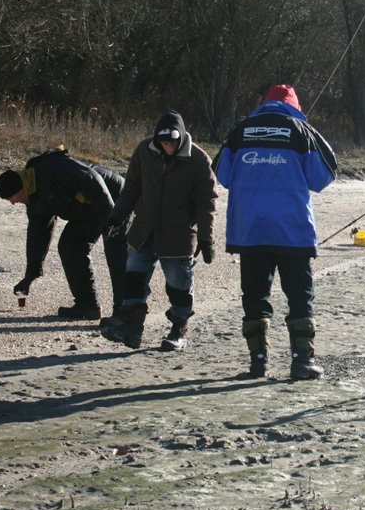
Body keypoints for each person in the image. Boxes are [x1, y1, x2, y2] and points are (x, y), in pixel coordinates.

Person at [213, 84, 337, 379]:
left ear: (264, 103)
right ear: (295, 105)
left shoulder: (240, 130)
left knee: (254, 296)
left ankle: (258, 363)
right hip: (292, 231)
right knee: (299, 296)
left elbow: (222, 173)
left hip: (250, 230)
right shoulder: (301, 131)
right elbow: (324, 176)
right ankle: (301, 361)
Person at [101, 111, 218, 351]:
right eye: (163, 142)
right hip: (143, 230)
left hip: (178, 235)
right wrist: (117, 217)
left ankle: (178, 329)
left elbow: (207, 203)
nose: (167, 146)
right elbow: (131, 188)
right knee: (133, 280)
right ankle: (131, 328)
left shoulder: (198, 160)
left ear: (181, 138)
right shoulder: (144, 151)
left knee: (178, 286)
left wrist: (206, 239)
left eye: (172, 142)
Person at [0, 147, 127, 320]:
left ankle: (125, 313)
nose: (13, 203)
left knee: (115, 252)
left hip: (113, 196)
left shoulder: (51, 168)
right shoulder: (34, 200)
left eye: (12, 197)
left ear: (21, 189)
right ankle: (87, 306)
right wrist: (30, 275)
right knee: (70, 246)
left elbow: (91, 178)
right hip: (87, 209)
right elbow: (37, 236)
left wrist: (111, 218)